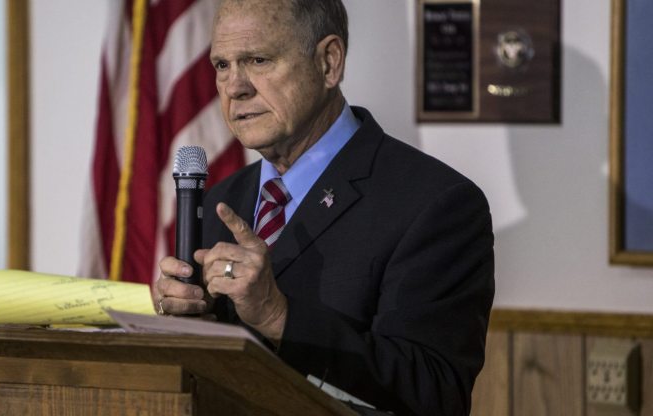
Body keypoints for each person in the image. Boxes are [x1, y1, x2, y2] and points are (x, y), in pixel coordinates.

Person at [153, 0, 494, 414]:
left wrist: (280, 318)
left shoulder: (436, 204)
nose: (234, 87)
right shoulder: (220, 201)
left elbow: (435, 394)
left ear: (329, 62)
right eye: (222, 65)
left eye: (258, 60)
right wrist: (186, 325)